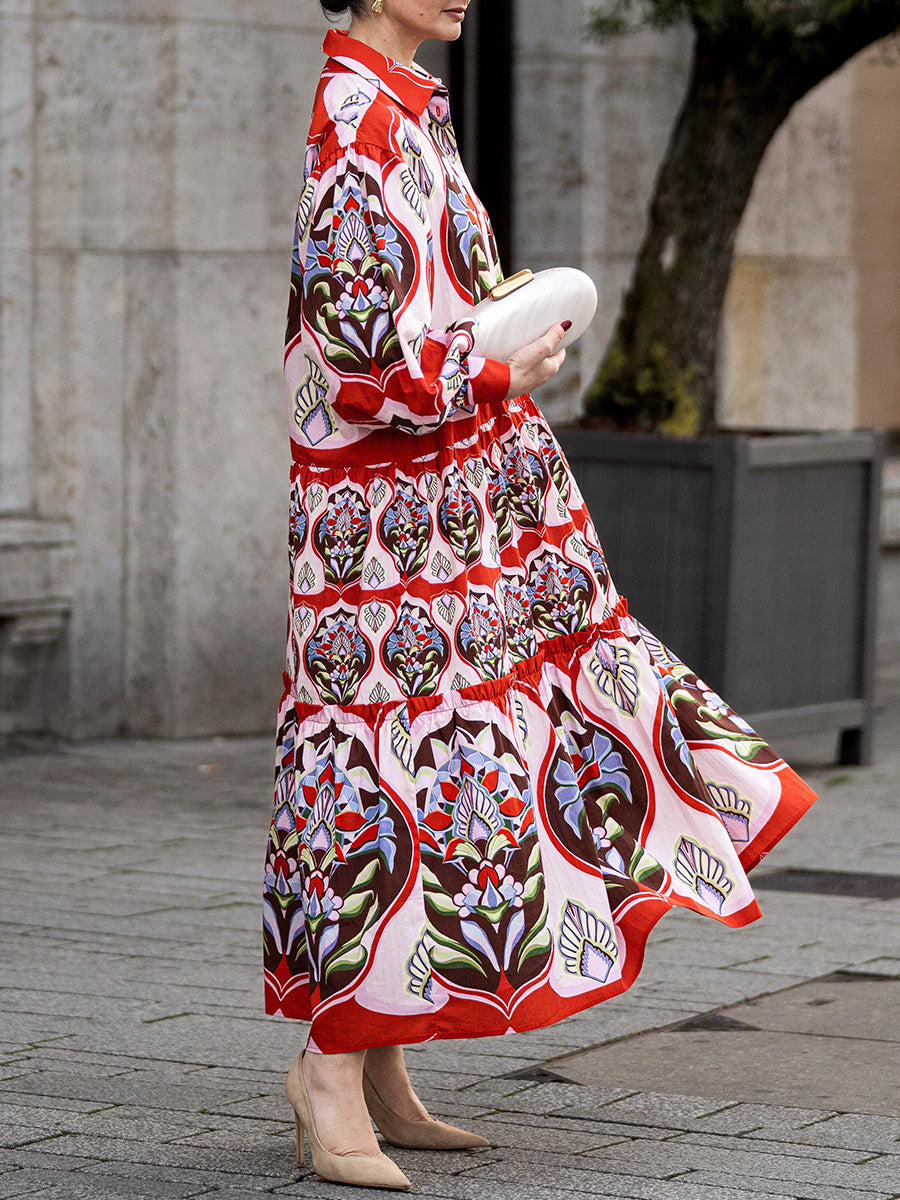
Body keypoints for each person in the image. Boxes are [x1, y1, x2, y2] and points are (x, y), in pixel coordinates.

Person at [262, 0, 817, 1189]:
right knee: (395, 770)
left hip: (443, 504)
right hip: (392, 529)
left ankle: (380, 1058)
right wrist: (501, 360)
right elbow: (366, 359)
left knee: (453, 757)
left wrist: (499, 337)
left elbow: (417, 314)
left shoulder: (405, 106)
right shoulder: (358, 118)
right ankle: (328, 1072)